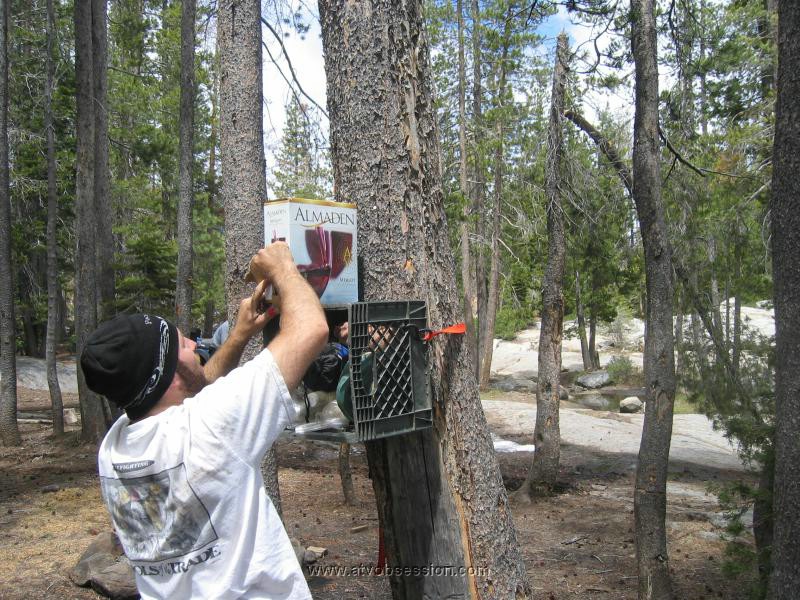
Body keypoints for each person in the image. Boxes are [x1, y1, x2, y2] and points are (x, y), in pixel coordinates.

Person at [80, 242, 328, 600]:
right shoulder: (211, 427)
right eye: (184, 345)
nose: (196, 347)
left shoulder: (115, 447)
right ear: (169, 376)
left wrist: (240, 334)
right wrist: (284, 267)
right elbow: (310, 331)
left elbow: (190, 391)